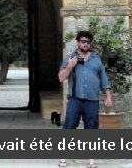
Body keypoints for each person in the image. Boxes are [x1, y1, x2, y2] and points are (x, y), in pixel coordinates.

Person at [57, 30, 113, 168]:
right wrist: (70, 66)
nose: (85, 44)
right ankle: (63, 158)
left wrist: (108, 95)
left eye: (88, 42)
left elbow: (103, 78)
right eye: (83, 41)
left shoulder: (96, 59)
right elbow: (61, 77)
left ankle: (91, 161)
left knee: (92, 128)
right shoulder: (70, 58)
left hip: (92, 100)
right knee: (69, 126)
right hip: (75, 99)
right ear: (78, 42)